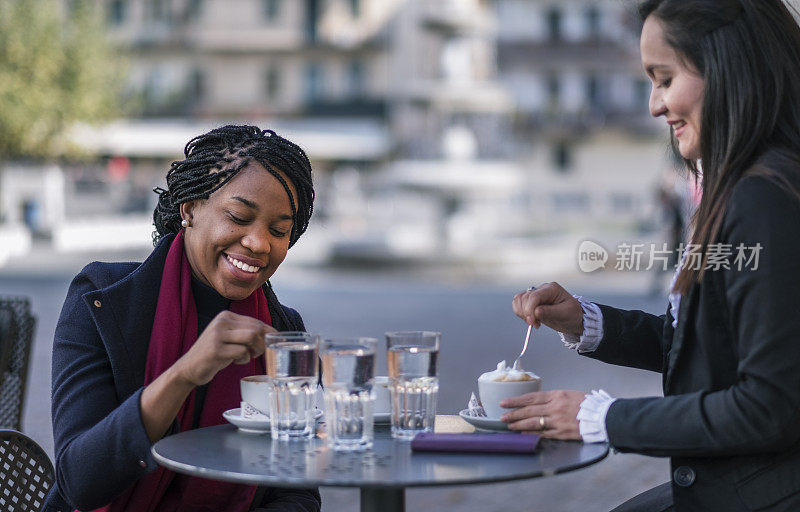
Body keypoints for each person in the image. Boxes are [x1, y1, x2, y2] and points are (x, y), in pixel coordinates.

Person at [506, 1, 800, 510]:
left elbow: (769, 406)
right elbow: (708, 348)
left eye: (664, 79)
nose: (653, 105)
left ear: (726, 68)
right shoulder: (742, 187)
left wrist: (601, 417)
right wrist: (586, 320)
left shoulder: (763, 197)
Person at [45, 125, 321, 512]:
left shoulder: (283, 330)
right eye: (240, 216)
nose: (259, 243)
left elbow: (298, 491)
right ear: (189, 209)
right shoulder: (101, 299)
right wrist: (186, 373)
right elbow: (80, 482)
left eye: (279, 230)